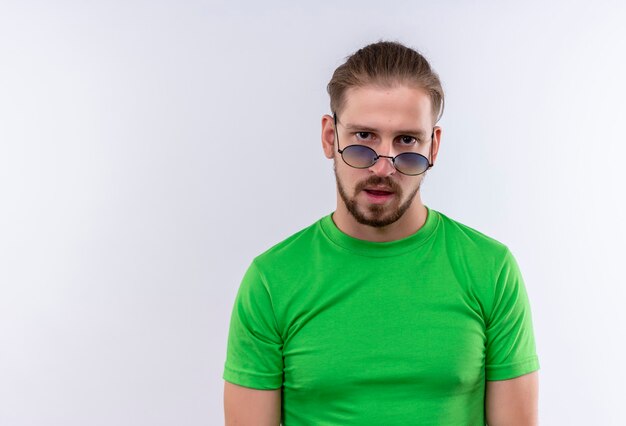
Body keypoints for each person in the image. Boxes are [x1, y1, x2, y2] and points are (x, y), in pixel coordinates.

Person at [222, 40, 540, 425]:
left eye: (406, 140)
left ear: (433, 146)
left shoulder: (491, 269)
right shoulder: (273, 280)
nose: (383, 167)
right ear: (329, 137)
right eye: (363, 137)